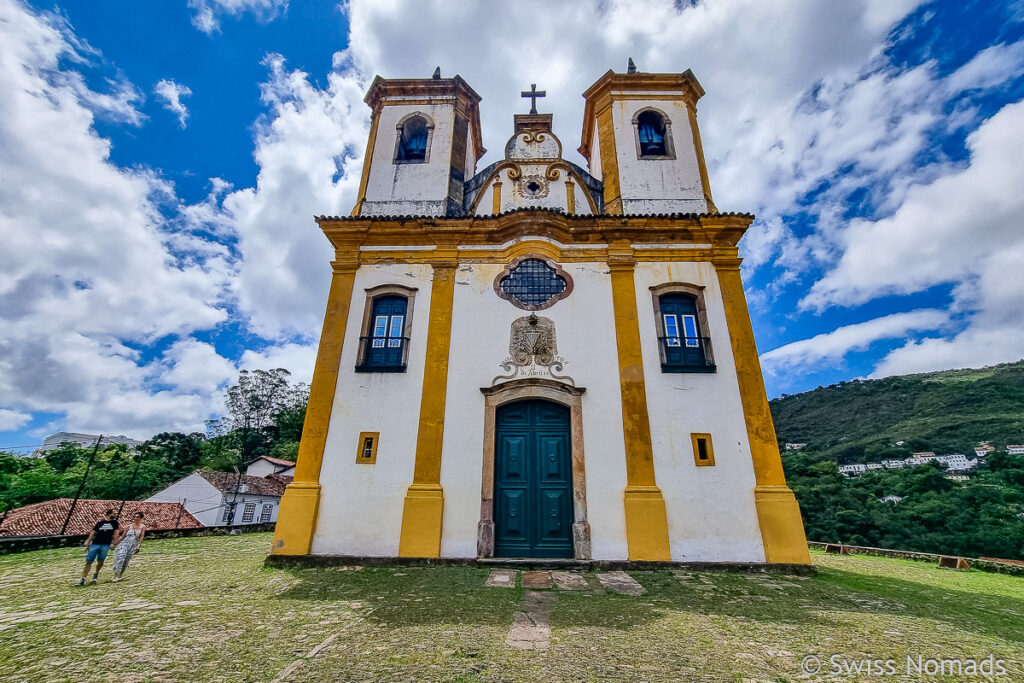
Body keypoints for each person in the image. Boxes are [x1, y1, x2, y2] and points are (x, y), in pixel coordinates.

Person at [76, 509, 119, 585]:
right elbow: (93, 532)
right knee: (89, 561)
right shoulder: (100, 523)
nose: (115, 515)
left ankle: (96, 573)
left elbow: (116, 533)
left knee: (100, 561)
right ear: (109, 514)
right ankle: (82, 579)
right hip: (95, 543)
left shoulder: (115, 523)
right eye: (114, 513)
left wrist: (114, 543)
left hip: (105, 545)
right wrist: (88, 542)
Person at [111, 511, 146, 582]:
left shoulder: (143, 527)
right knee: (120, 558)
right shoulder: (128, 526)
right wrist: (114, 544)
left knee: (126, 561)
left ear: (141, 518)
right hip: (124, 544)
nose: (135, 518)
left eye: (137, 517)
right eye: (135, 517)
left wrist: (138, 546)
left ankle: (120, 575)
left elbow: (141, 536)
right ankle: (115, 576)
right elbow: (122, 536)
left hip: (133, 545)